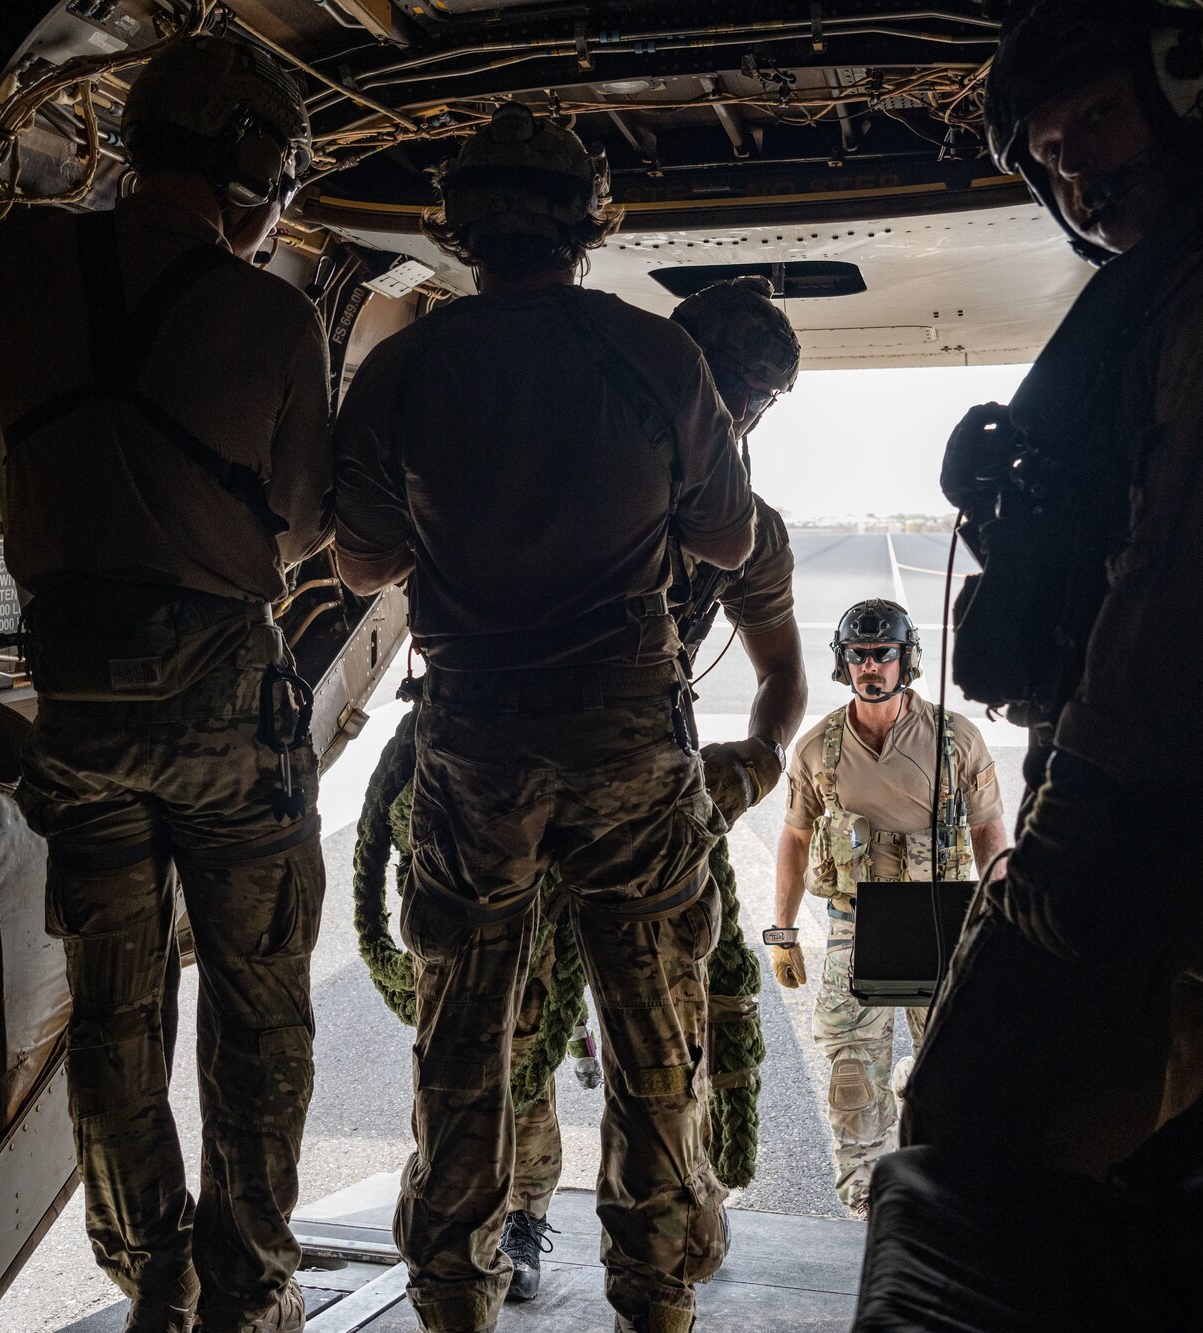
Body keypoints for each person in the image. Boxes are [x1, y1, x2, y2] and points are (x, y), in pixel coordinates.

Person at [896, 0, 1203, 1182]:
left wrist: (1081, 814)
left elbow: (1191, 580)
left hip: (1156, 798)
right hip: (1163, 789)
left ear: (1186, 98)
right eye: (1052, 152)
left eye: (1099, 117)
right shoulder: (1200, 284)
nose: (1077, 170)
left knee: (970, 1143)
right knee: (1155, 1129)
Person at [331, 102, 755, 1333]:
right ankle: (651, 1296)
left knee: (464, 1030)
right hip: (626, 729)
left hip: (474, 736)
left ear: (459, 230)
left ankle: (452, 1301)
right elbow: (725, 534)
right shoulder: (653, 355)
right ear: (587, 225)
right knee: (651, 1027)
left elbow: (361, 565)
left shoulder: (406, 367)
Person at [0, 34, 330, 1333]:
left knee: (118, 1015)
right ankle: (246, 1295)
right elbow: (298, 521)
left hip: (75, 705)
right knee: (257, 1016)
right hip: (220, 712)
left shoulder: (18, 266)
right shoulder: (276, 313)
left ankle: (155, 1279)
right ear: (248, 160)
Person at [498, 275, 808, 1303]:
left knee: (664, 1037)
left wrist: (752, 763)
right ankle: (524, 1212)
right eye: (725, 387)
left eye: (756, 400)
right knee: (515, 1026)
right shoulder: (570, 473)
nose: (738, 412)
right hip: (526, 783)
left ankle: (671, 1226)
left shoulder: (747, 528)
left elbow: (781, 674)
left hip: (652, 795)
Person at [771, 599, 1007, 1218]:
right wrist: (783, 932)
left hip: (942, 922)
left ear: (908, 660)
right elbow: (796, 839)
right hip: (856, 928)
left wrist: (1006, 916)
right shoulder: (818, 748)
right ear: (843, 663)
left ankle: (939, 1177)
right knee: (852, 1076)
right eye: (858, 655)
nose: (869, 667)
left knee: (953, 1066)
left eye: (882, 655)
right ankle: (869, 1192)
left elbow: (988, 833)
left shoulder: (957, 740)